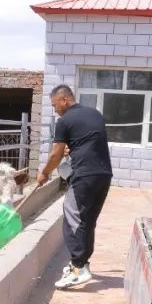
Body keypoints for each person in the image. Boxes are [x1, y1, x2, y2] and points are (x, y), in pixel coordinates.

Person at [37, 84, 113, 289]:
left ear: (64, 100)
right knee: (87, 221)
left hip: (84, 175)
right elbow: (88, 142)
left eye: (55, 105)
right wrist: (74, 149)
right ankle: (80, 264)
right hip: (104, 175)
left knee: (72, 218)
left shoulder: (64, 121)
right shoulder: (95, 114)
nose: (55, 110)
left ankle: (78, 269)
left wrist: (44, 173)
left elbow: (56, 154)